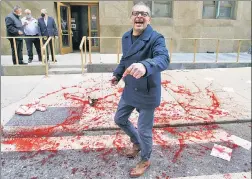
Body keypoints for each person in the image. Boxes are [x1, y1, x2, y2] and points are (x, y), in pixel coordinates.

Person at [111, 2, 170, 178]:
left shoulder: (156, 38)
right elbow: (125, 59)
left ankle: (145, 159)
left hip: (147, 91)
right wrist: (117, 74)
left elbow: (163, 58)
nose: (139, 16)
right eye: (136, 13)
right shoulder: (126, 37)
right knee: (120, 119)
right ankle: (136, 142)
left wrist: (146, 66)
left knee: (144, 129)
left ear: (149, 19)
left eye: (144, 14)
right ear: (131, 17)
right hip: (130, 88)